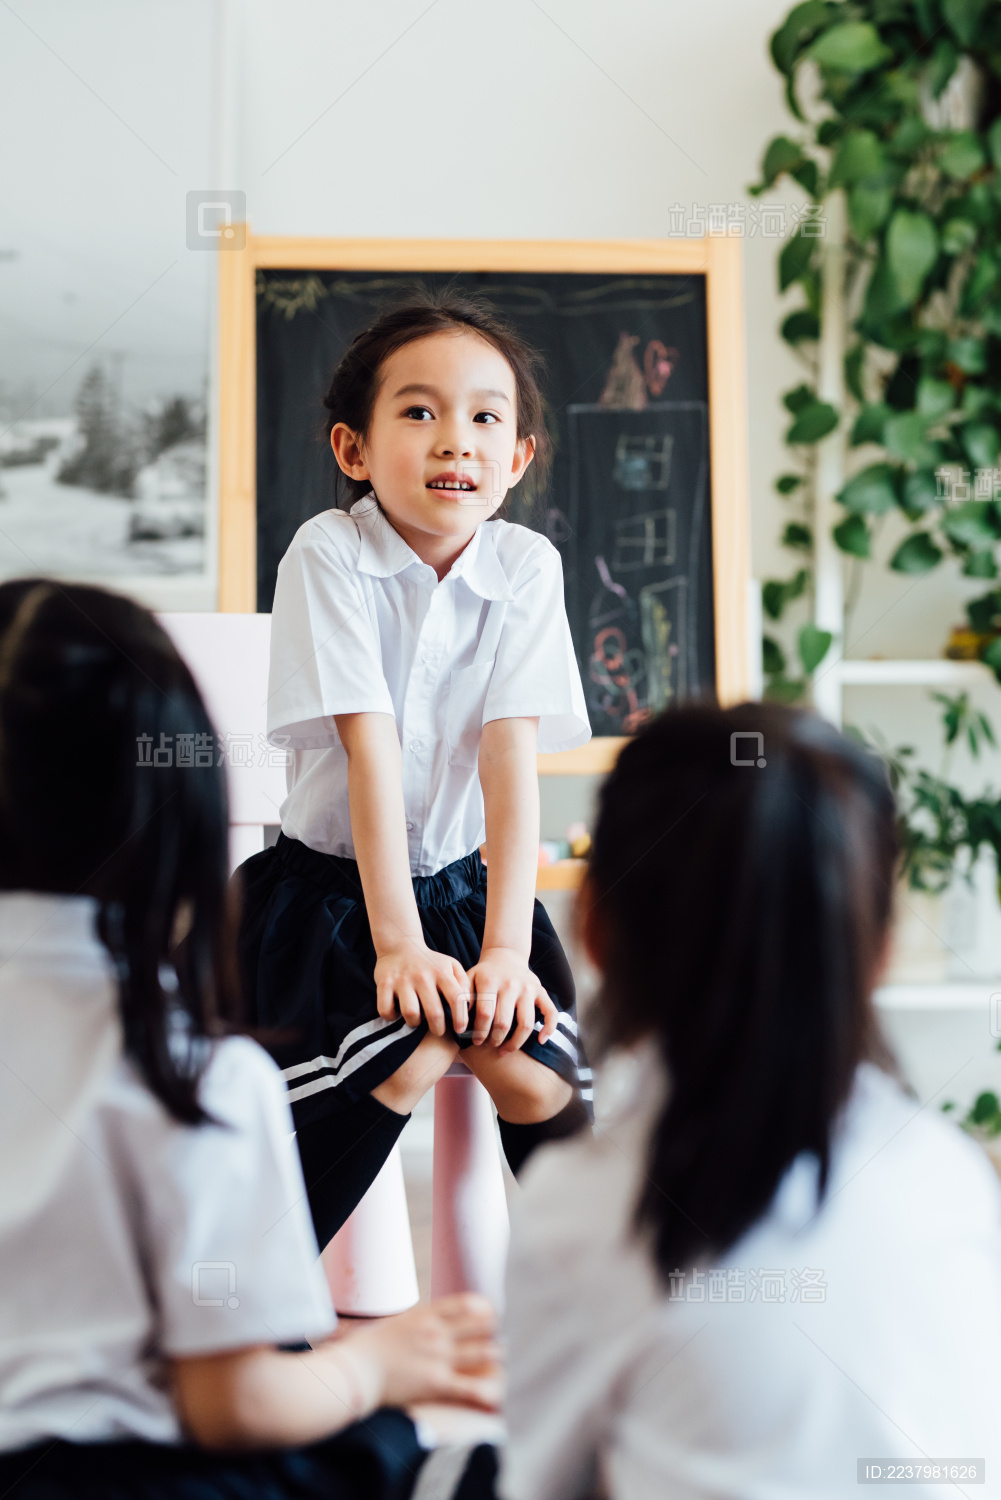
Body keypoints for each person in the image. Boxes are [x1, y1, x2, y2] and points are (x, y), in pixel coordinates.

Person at [0, 579, 500, 1500]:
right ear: (179, 810)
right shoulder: (191, 1070)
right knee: (392, 1447)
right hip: (101, 1476)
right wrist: (374, 1367)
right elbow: (230, 1403)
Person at [501, 702, 1001, 1500]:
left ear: (590, 928)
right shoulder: (951, 1177)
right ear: (878, 949)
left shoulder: (580, 1209)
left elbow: (535, 1481)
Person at [238, 289, 592, 1252]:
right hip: (331, 904)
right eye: (419, 412)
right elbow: (371, 745)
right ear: (354, 451)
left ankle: (618, 1295)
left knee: (533, 1065)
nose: (455, 442)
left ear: (517, 459)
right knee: (407, 1045)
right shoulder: (331, 552)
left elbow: (508, 759)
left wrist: (507, 955)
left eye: (485, 418)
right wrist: (396, 946)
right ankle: (252, 1286)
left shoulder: (524, 566)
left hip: (473, 896)